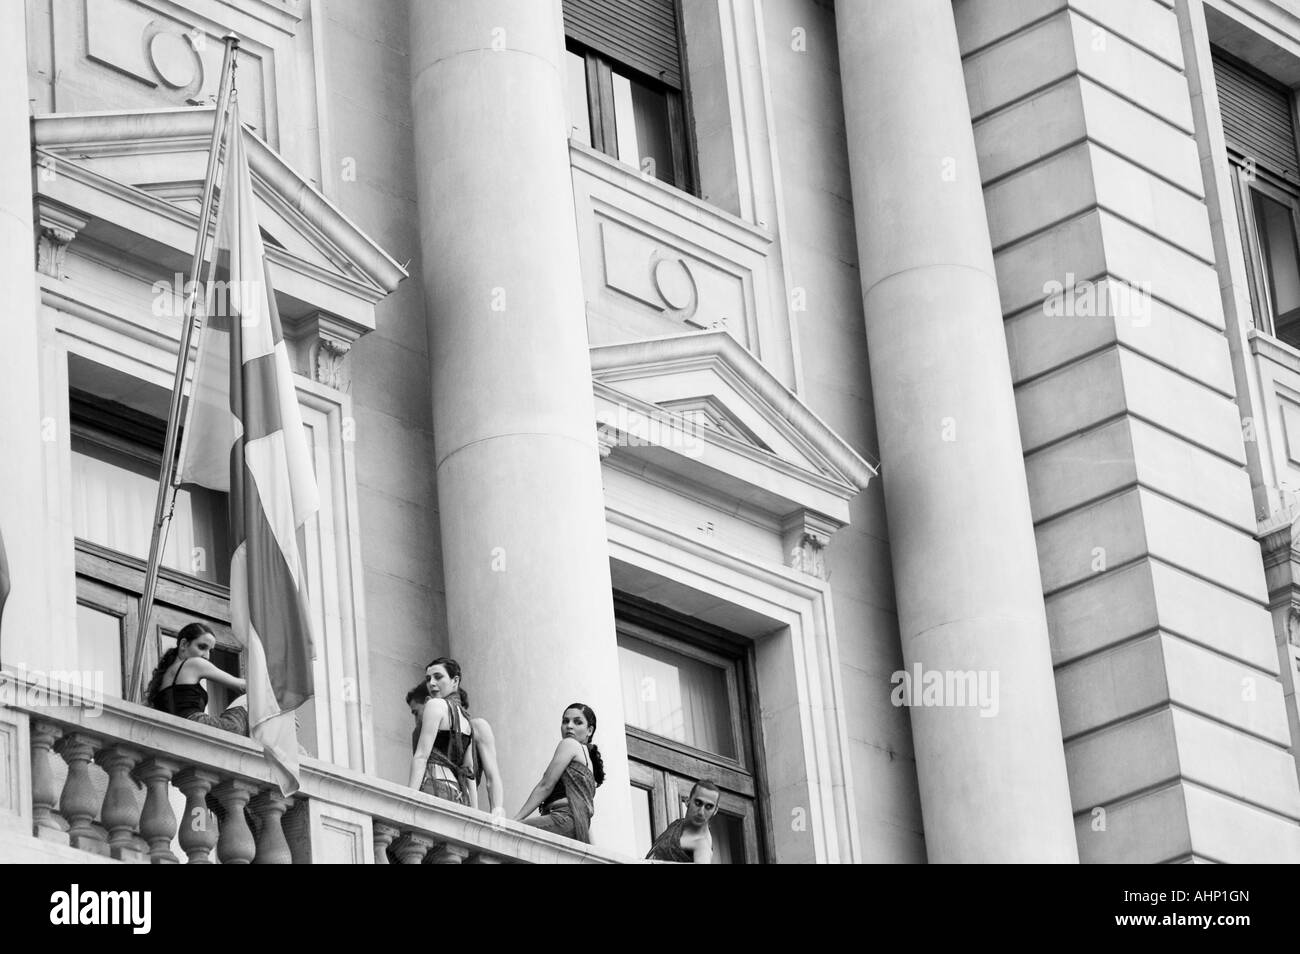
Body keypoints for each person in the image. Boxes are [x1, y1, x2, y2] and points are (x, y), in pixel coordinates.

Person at [407, 675, 505, 815]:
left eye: (416, 713)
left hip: (457, 797)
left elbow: (490, 778)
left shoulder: (477, 727)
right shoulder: (421, 733)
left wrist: (495, 816)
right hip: (459, 799)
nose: (416, 720)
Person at [513, 702, 603, 844]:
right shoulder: (589, 763)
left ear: (589, 730)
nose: (569, 726)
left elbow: (545, 785)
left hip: (563, 819)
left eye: (577, 722)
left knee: (512, 834)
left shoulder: (569, 744)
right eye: (565, 721)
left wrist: (516, 819)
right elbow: (584, 811)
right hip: (576, 827)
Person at [146, 622, 249, 735]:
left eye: (210, 650)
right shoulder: (194, 663)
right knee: (251, 697)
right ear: (184, 644)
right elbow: (242, 686)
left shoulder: (164, 676)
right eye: (202, 647)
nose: (207, 656)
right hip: (195, 724)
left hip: (174, 732)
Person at [407, 657, 475, 805]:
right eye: (428, 678)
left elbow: (421, 757)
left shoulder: (435, 705)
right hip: (457, 794)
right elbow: (469, 772)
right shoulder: (467, 719)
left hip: (433, 785)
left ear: (455, 681)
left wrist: (409, 800)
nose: (431, 683)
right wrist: (475, 814)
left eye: (438, 677)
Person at [646, 779, 721, 863]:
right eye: (698, 803)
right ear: (687, 801)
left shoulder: (702, 845)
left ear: (715, 810)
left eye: (709, 806)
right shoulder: (676, 824)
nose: (701, 812)